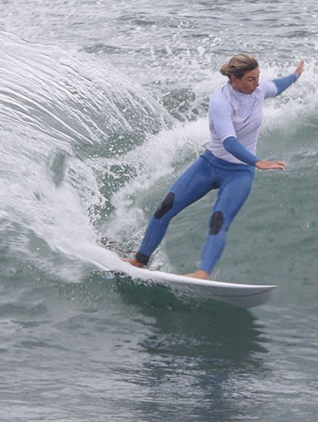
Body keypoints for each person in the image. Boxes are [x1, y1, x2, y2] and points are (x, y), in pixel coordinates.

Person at [125, 53, 305, 279]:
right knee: (165, 208)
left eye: (258, 77)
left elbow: (277, 86)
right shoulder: (221, 100)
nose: (257, 83)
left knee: (219, 219)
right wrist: (257, 161)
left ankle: (203, 273)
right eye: (251, 79)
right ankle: (139, 260)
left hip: (239, 174)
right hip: (209, 165)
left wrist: (295, 75)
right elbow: (229, 141)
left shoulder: (259, 90)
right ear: (234, 79)